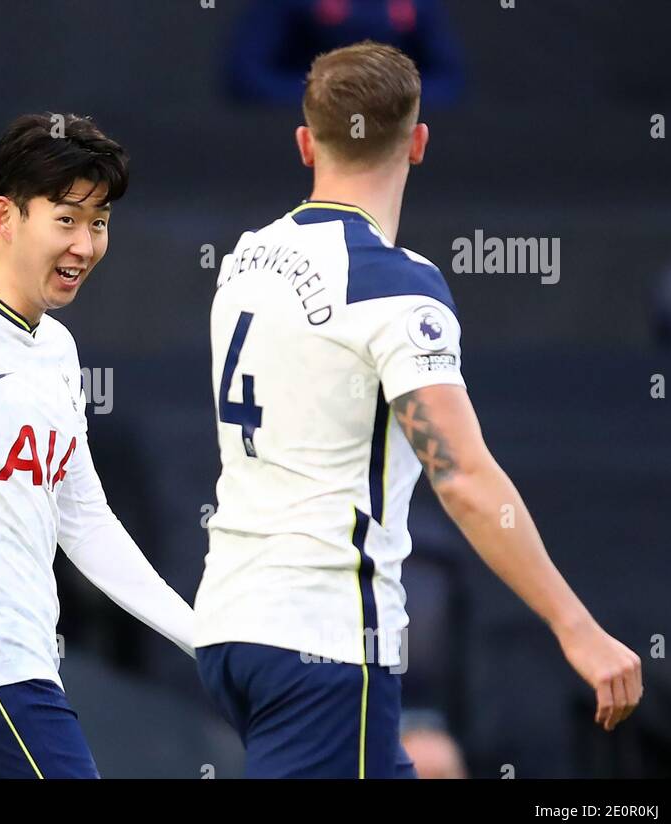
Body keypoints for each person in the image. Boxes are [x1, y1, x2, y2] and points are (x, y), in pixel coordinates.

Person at [195, 41, 642, 778]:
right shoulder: (396, 286)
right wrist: (576, 626)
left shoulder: (243, 260)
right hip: (326, 637)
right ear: (421, 142)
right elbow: (461, 475)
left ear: (306, 143)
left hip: (231, 630)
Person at [0, 114, 195, 778]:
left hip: (18, 672)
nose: (85, 243)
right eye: (67, 219)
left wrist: (201, 636)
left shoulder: (58, 347)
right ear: (6, 215)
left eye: (100, 222)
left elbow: (83, 519)